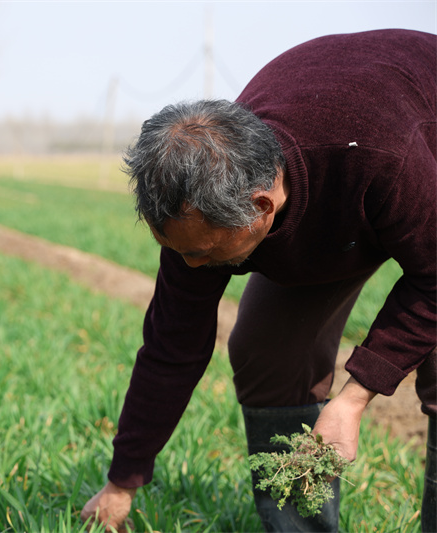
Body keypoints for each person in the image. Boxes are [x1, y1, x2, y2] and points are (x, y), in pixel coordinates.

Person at [81, 29, 436, 532]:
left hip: (412, 145)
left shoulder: (380, 158)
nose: (191, 265)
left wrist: (355, 398)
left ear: (260, 209)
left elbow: (435, 279)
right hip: (343, 198)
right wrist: (123, 481)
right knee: (268, 352)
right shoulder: (197, 205)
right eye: (178, 251)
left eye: (201, 252)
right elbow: (171, 349)